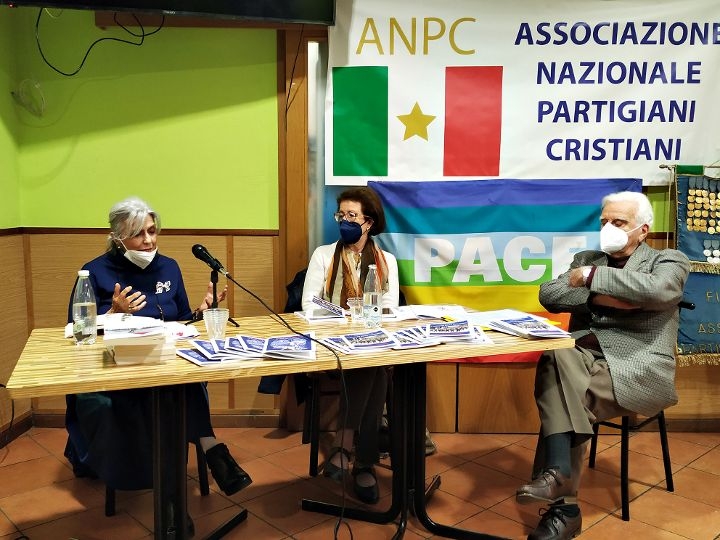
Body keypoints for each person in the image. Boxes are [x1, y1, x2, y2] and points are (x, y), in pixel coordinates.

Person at [515, 191, 690, 540]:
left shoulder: (668, 260)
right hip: (582, 358)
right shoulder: (587, 258)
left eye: (619, 222)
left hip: (637, 366)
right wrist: (606, 296)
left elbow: (658, 290)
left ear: (642, 230)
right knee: (556, 354)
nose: (608, 228)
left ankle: (563, 503)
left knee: (562, 392)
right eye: (604, 221)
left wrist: (589, 278)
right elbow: (550, 294)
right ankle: (560, 485)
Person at [64, 196, 252, 498]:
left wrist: (201, 312)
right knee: (171, 392)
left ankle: (188, 477)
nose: (149, 240)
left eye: (152, 231)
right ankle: (205, 456)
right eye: (138, 234)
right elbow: (76, 331)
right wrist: (112, 314)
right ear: (117, 238)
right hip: (119, 370)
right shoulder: (95, 272)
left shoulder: (169, 267)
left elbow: (181, 320)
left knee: (185, 379)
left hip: (166, 362)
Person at [302, 186, 399, 504]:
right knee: (375, 372)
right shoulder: (323, 255)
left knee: (372, 366)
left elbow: (390, 307)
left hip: (370, 342)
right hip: (332, 342)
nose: (344, 221)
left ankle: (344, 445)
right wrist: (344, 313)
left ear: (368, 222)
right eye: (340, 215)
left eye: (352, 215)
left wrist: (366, 318)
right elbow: (309, 302)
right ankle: (364, 464)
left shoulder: (386, 261)